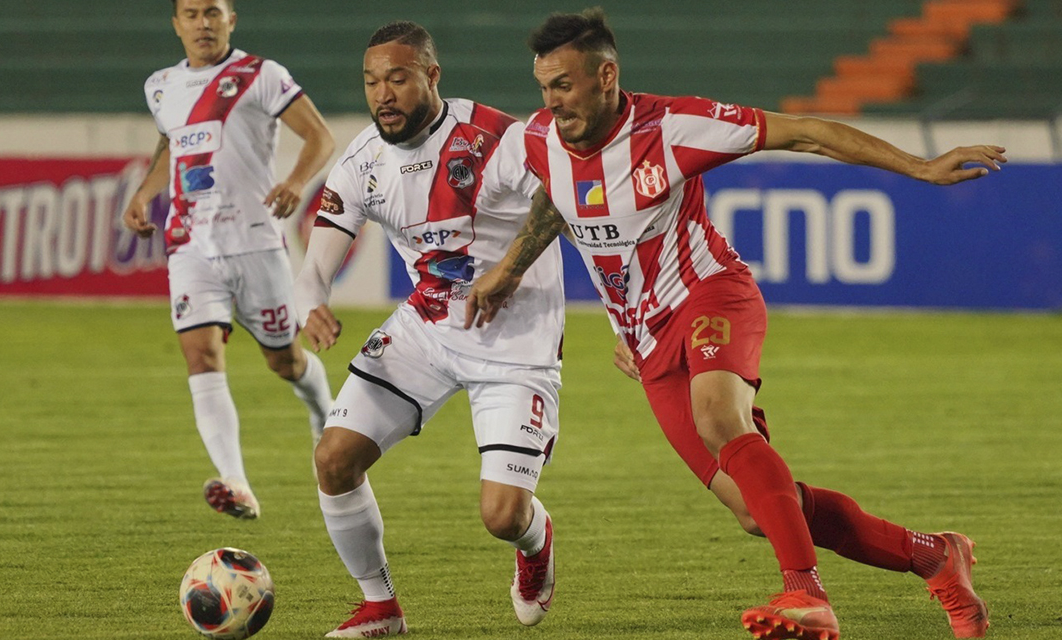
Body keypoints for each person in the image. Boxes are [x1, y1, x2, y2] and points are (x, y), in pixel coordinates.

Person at [466, 9, 1004, 640]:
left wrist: (919, 166)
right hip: (647, 342)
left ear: (606, 75)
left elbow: (805, 132)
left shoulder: (671, 127)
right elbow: (558, 197)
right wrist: (509, 270)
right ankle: (935, 556)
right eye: (544, 87)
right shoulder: (537, 139)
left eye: (563, 84)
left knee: (720, 418)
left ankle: (806, 594)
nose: (552, 101)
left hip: (710, 294)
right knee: (757, 512)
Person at [293, 21, 567, 638]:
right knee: (334, 459)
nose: (382, 94)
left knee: (501, 516)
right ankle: (380, 606)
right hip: (428, 329)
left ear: (431, 76)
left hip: (516, 341)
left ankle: (536, 540)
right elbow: (315, 264)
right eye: (371, 82)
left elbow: (564, 197)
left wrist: (508, 269)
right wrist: (313, 302)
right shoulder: (362, 162)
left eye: (397, 78)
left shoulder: (494, 138)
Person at [122, 0, 336, 520]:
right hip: (191, 245)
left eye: (213, 12)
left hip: (256, 242)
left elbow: (321, 137)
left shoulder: (260, 75)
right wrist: (145, 192)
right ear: (176, 24)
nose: (203, 23)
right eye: (191, 14)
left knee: (283, 361)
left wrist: (293, 181)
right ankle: (236, 481)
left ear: (231, 20)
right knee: (201, 355)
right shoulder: (160, 86)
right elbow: (171, 144)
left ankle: (323, 414)